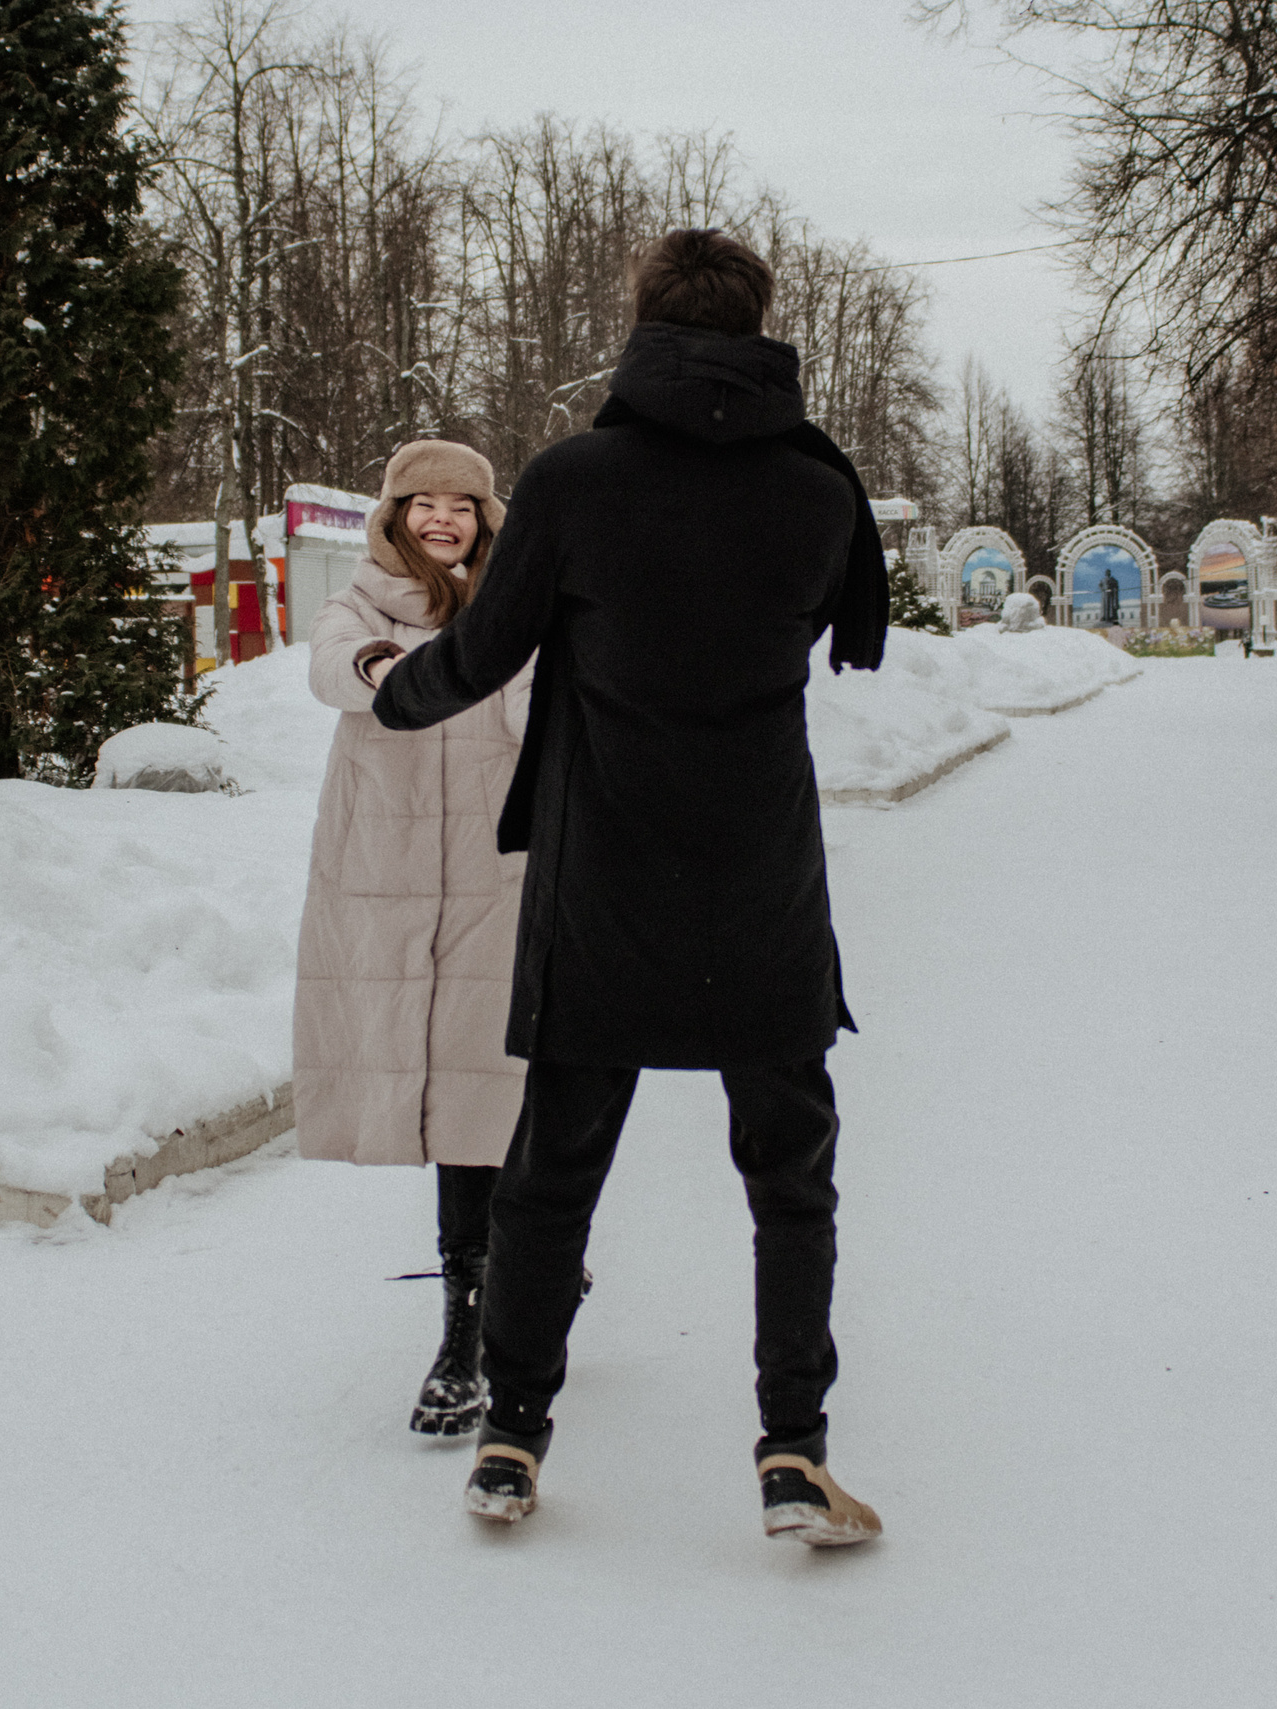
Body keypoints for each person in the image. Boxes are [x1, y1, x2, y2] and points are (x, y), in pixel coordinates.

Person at [368, 228, 889, 1548]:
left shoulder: (575, 479)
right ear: (762, 324)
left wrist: (393, 686)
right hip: (762, 875)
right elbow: (835, 629)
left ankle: (511, 1437)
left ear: (644, 323)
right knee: (792, 1178)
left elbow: (483, 651)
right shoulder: (821, 492)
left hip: (603, 876)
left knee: (551, 1174)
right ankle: (792, 1450)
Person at [292, 439, 533, 1438]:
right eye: (424, 504)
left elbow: (537, 698)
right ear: (394, 517)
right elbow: (334, 668)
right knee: (438, 1077)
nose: (444, 520)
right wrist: (401, 668)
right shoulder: (362, 599)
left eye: (462, 506)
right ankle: (482, 1299)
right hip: (389, 871)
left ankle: (493, 1297)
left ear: (485, 518)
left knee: (491, 1073)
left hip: (493, 866)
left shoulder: (518, 604)